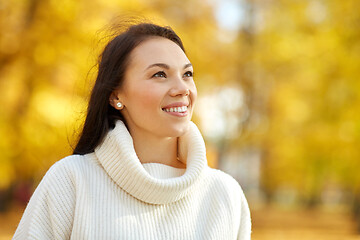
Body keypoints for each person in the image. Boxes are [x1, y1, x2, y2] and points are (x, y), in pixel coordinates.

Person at [13, 22, 251, 239]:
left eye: (187, 74)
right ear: (116, 95)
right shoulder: (71, 181)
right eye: (159, 74)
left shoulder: (224, 193)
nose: (182, 88)